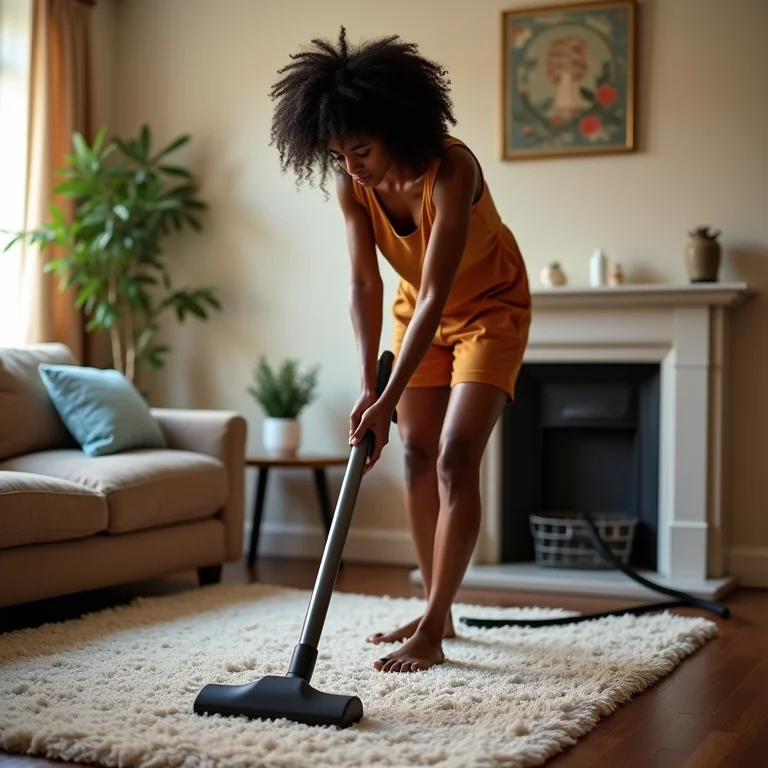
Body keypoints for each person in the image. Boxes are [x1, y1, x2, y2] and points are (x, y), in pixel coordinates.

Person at [270, 27, 532, 673]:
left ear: (397, 124)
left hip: (488, 310)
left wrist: (388, 396)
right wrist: (370, 388)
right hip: (416, 315)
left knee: (454, 456)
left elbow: (441, 287)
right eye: (337, 153)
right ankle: (431, 607)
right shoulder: (351, 187)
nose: (351, 164)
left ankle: (436, 626)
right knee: (414, 453)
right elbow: (364, 281)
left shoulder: (453, 168)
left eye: (360, 148)